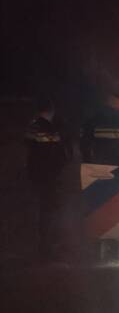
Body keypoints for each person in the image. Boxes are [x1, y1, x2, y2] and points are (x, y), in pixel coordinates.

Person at [24, 96, 69, 259]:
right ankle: (47, 246)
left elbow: (30, 148)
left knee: (41, 209)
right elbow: (56, 153)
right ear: (52, 110)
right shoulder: (49, 129)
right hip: (49, 175)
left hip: (35, 174)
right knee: (49, 210)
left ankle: (43, 243)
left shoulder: (32, 126)